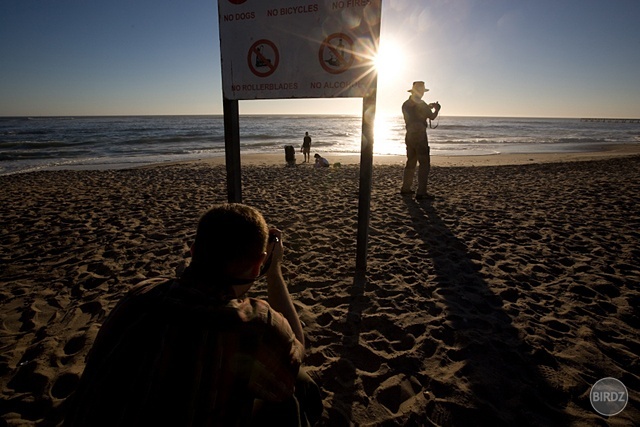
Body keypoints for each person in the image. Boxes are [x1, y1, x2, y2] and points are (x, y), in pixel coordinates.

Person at [64, 204, 322, 427]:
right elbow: (296, 353)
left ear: (193, 250)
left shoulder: (142, 293)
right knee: (294, 396)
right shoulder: (251, 322)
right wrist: (274, 271)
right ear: (258, 264)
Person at [400, 81, 441, 200]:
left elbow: (414, 111)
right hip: (420, 135)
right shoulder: (422, 104)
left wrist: (426, 108)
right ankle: (421, 192)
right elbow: (431, 116)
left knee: (411, 162)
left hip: (409, 135)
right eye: (422, 90)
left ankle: (406, 188)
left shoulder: (405, 104)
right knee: (424, 163)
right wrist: (436, 109)